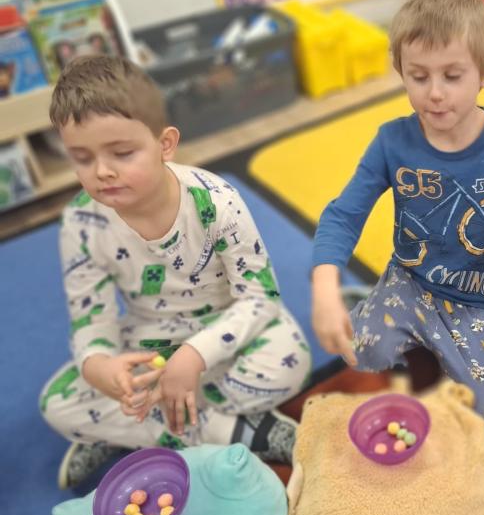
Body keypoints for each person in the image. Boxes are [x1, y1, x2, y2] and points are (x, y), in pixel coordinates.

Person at [40, 55, 310, 488]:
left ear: (165, 144)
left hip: (225, 329)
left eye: (122, 153)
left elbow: (261, 299)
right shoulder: (82, 222)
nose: (102, 171)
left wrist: (196, 355)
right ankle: (233, 431)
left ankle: (131, 431)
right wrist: (100, 368)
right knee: (57, 404)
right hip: (149, 341)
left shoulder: (216, 200)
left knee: (289, 361)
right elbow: (90, 319)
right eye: (82, 158)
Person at [310, 0, 484, 428]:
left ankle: (428, 344)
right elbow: (343, 215)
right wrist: (324, 287)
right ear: (401, 71)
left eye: (452, 76)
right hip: (408, 282)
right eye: (418, 77)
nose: (435, 92)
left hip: (474, 302)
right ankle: (372, 305)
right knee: (357, 353)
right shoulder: (391, 141)